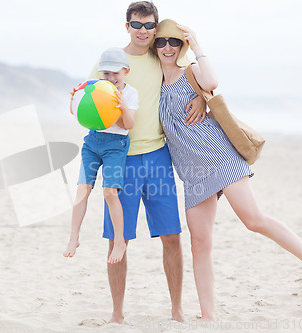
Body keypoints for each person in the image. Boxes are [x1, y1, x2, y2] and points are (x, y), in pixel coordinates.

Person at [153, 18, 302, 321]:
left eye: (174, 41)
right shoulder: (152, 82)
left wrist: (197, 44)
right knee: (200, 243)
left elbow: (211, 82)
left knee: (254, 220)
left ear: (182, 45)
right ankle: (208, 316)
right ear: (154, 46)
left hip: (219, 157)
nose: (168, 47)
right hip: (191, 171)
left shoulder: (191, 71)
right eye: (162, 42)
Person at [88, 1, 207, 324]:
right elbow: (87, 104)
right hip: (120, 158)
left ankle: (177, 310)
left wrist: (200, 96)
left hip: (157, 157)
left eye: (149, 25)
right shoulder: (111, 61)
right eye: (137, 25)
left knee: (171, 236)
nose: (143, 31)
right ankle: (117, 314)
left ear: (156, 27)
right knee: (118, 239)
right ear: (127, 26)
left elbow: (190, 78)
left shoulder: (161, 56)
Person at [64, 47, 139, 264]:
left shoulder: (131, 93)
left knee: (109, 193)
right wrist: (74, 101)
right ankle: (74, 237)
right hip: (93, 141)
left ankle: (119, 241)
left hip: (116, 145)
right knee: (82, 189)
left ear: (126, 71)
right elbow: (80, 114)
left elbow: (129, 124)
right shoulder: (96, 88)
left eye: (116, 73)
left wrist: (121, 106)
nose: (111, 77)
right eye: (106, 73)